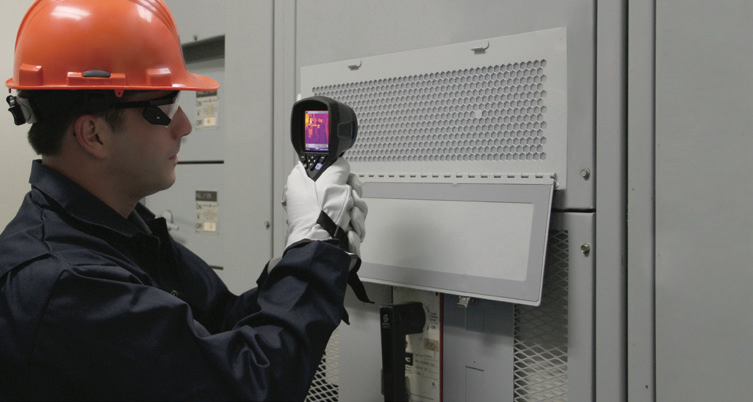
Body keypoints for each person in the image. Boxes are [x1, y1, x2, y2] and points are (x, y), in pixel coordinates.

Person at [0, 0, 368, 400]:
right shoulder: (68, 284)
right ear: (94, 134)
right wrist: (314, 245)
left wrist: (303, 254)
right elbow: (247, 386)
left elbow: (222, 325)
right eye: (165, 107)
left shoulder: (125, 233)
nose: (185, 126)